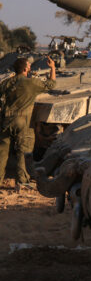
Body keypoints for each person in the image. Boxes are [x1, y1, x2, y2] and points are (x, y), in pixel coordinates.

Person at [0, 56, 56, 191]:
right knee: (23, 151)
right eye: (29, 66)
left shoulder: (7, 82)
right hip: (22, 121)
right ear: (25, 69)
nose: (30, 68)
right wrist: (53, 68)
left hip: (5, 121)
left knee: (2, 152)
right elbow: (51, 84)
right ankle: (22, 181)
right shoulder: (31, 83)